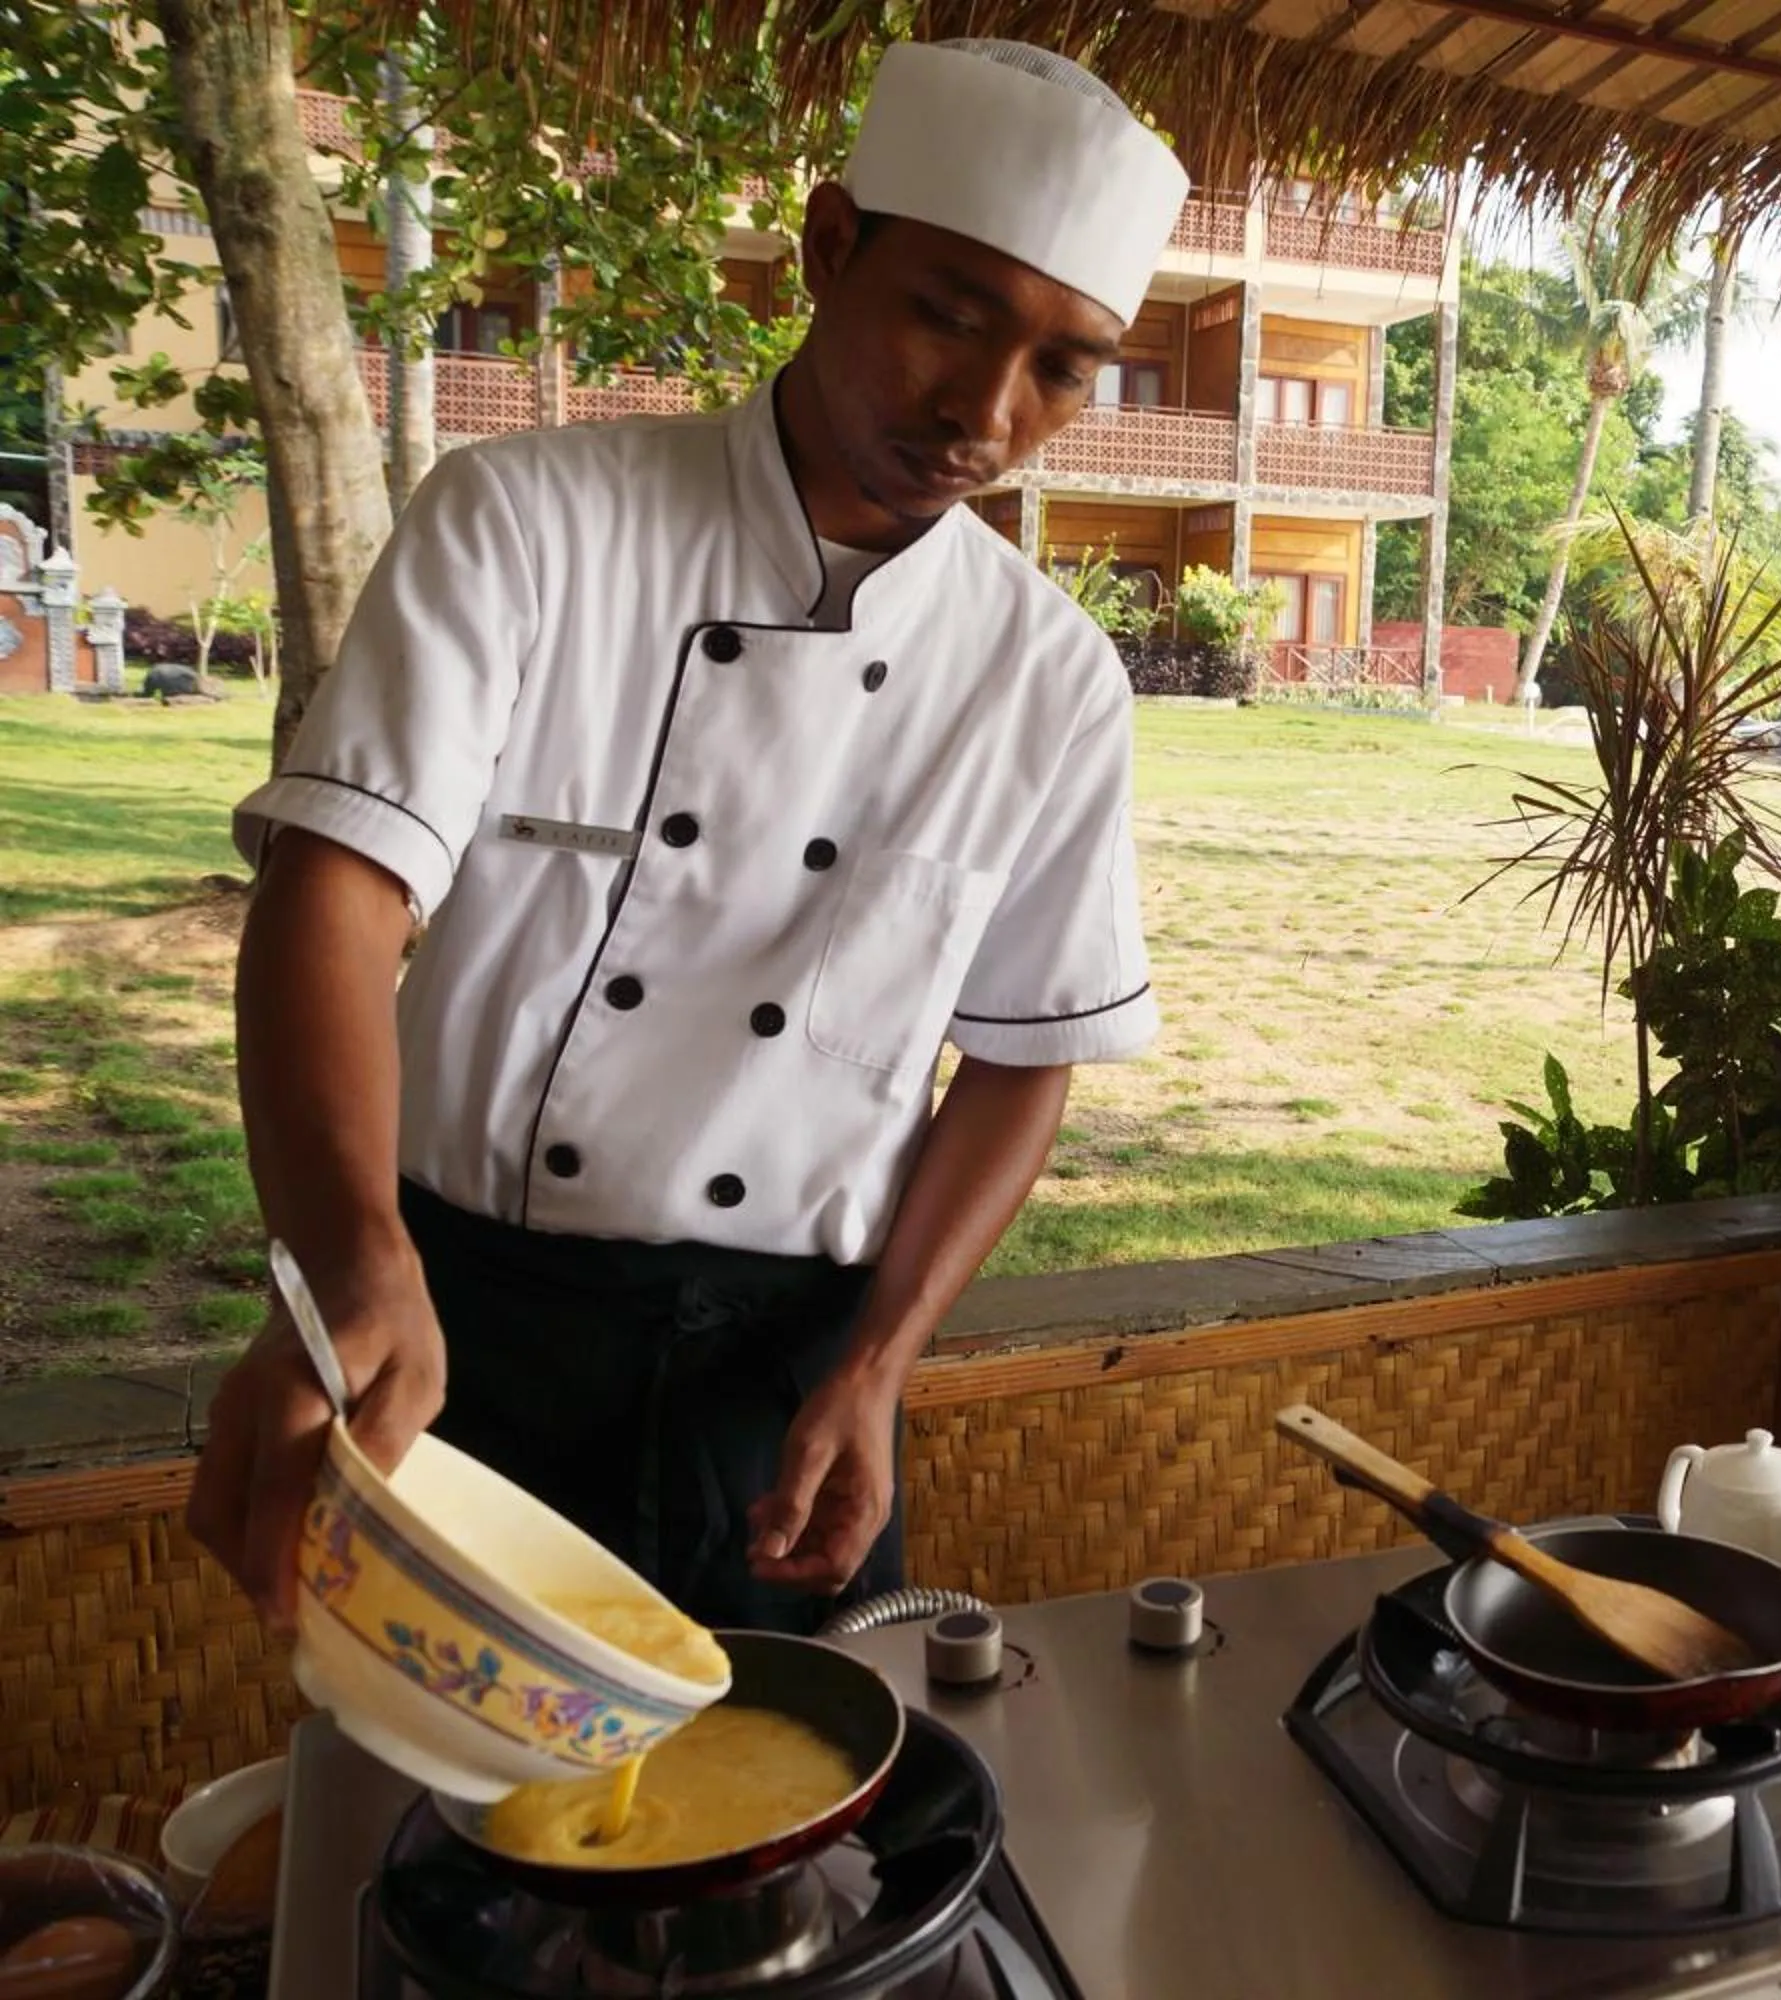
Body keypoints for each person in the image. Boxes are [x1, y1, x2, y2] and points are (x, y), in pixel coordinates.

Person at [188, 39, 1192, 1634]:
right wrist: (345, 1261)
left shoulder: (1049, 680)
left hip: (786, 1381)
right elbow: (336, 893)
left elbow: (1021, 1056)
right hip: (460, 1320)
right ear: (829, 247)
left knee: (778, 1842)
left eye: (1064, 366)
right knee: (437, 1829)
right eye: (950, 312)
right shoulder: (529, 523)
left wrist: (883, 1361)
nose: (987, 410)